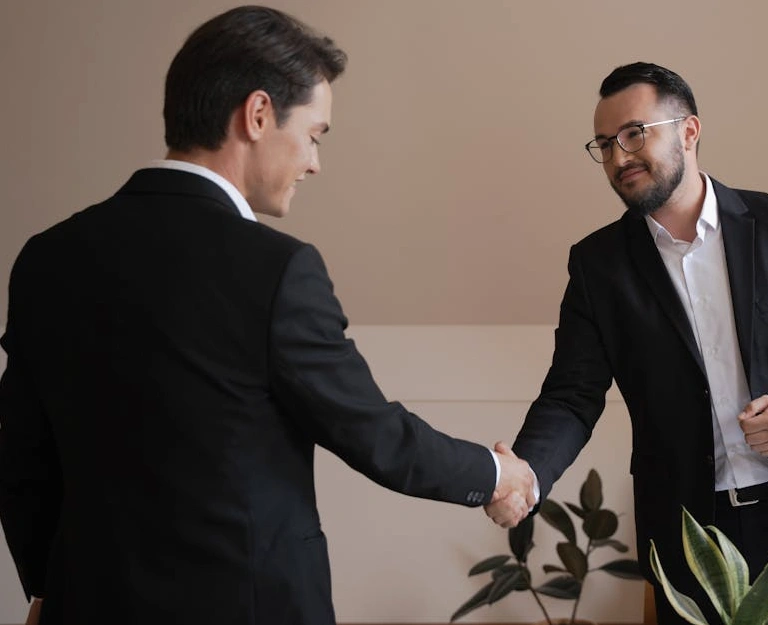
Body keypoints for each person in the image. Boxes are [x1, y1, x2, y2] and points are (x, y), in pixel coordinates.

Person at [0, 6, 534, 625]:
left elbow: (21, 456)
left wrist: (46, 587)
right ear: (257, 115)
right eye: (314, 135)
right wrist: (496, 474)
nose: (314, 162)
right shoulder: (276, 269)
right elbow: (374, 434)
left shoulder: (46, 258)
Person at [484, 62, 768, 625]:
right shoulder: (597, 265)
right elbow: (570, 396)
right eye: (604, 144)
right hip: (690, 538)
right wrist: (525, 475)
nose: (618, 156)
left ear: (689, 130)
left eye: (634, 134)